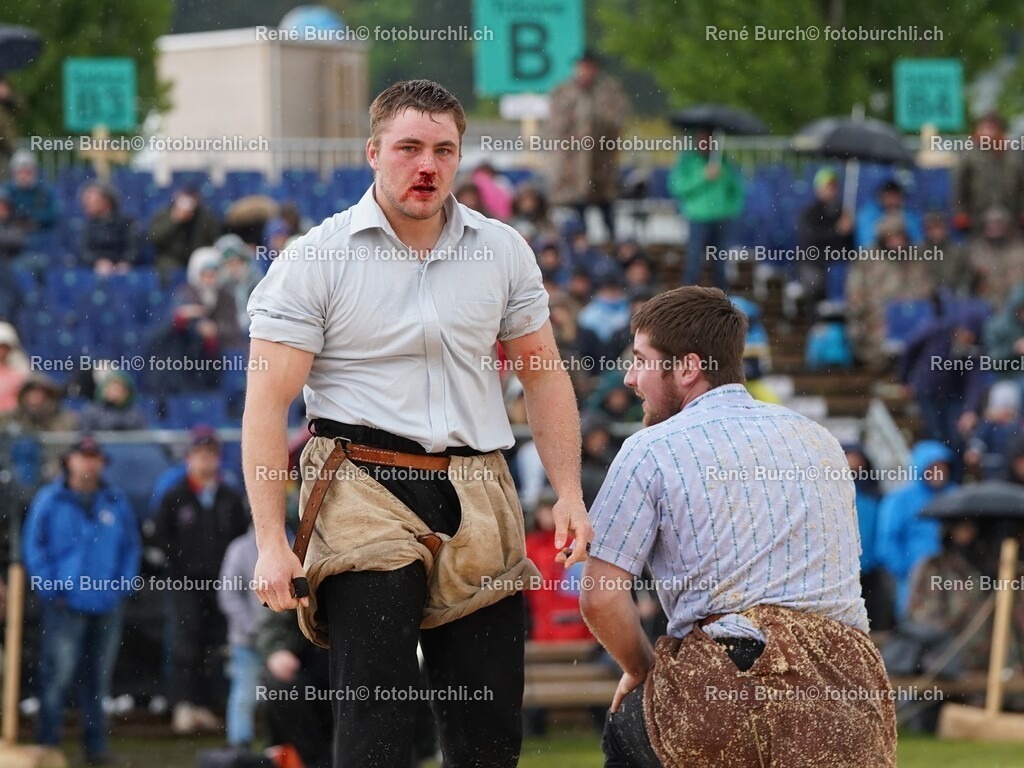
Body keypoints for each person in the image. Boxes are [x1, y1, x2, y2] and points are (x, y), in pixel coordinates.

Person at [243, 79, 592, 768]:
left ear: (460, 157)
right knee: (378, 709)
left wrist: (571, 492)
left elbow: (544, 375)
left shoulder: (502, 251)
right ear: (373, 152)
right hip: (359, 486)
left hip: (478, 485)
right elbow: (264, 404)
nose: (426, 165)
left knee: (488, 722)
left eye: (443, 149)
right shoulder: (315, 259)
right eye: (408, 148)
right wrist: (269, 540)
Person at [579, 286, 896, 767]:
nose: (629, 378)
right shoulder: (822, 440)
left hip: (725, 685)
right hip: (847, 693)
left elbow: (600, 595)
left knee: (629, 728)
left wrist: (643, 670)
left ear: (687, 368)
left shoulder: (650, 449)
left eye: (641, 360)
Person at [22, 436, 141, 765]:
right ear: (69, 461)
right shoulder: (50, 499)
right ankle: (47, 746)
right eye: (83, 456)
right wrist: (51, 589)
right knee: (56, 677)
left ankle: (96, 748)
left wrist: (122, 586)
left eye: (95, 457)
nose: (89, 463)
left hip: (106, 604)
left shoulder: (115, 500)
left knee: (98, 680)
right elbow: (34, 548)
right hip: (65, 604)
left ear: (102, 462)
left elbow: (131, 547)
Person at [151, 426, 250, 734]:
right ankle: (183, 705)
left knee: (215, 643)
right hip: (185, 583)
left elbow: (239, 537)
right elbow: (162, 538)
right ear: (189, 457)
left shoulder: (230, 497)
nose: (205, 460)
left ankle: (206, 705)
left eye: (210, 454)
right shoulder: (175, 495)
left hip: (221, 583)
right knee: (185, 643)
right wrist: (183, 566)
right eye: (199, 454)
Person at [547, 51, 631, 241]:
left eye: (590, 67)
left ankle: (611, 252)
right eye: (583, 67)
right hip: (571, 170)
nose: (586, 72)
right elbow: (555, 127)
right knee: (576, 219)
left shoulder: (609, 91)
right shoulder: (563, 92)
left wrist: (595, 121)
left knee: (607, 215)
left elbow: (617, 121)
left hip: (600, 166)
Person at [877, 440, 956, 618]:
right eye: (933, 467)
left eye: (942, 467)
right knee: (918, 623)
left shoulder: (956, 497)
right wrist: (906, 570)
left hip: (953, 577)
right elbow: (887, 541)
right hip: (914, 576)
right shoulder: (901, 499)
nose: (938, 473)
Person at [668, 131, 744, 289]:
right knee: (694, 261)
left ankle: (723, 299)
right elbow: (677, 187)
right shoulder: (687, 161)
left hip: (721, 218)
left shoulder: (723, 161)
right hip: (698, 217)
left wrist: (731, 210)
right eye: (702, 138)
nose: (706, 142)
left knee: (720, 263)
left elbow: (736, 189)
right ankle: (688, 297)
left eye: (709, 139)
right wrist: (703, 176)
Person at [217, 525, 263, 749]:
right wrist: (252, 628)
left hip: (286, 644)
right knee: (245, 695)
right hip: (248, 641)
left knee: (286, 697)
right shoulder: (240, 549)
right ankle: (239, 747)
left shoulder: (296, 543)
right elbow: (229, 595)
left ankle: (285, 747)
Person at [953, 111, 1024, 237]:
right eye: (983, 128)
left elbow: (1021, 183)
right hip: (977, 214)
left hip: (1009, 213)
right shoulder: (969, 154)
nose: (987, 132)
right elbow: (959, 185)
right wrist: (961, 211)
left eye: (991, 128)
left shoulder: (1011, 154)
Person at [796, 167, 855, 304]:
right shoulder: (809, 214)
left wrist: (848, 230)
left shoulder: (843, 213)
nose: (831, 190)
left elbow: (849, 246)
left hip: (839, 264)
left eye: (834, 186)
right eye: (827, 186)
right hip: (815, 262)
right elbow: (810, 239)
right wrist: (837, 231)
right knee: (814, 284)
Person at [148, 185, 222, 284]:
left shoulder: (204, 216)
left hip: (197, 256)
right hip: (171, 257)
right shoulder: (165, 213)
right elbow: (155, 237)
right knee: (168, 270)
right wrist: (174, 220)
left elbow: (215, 238)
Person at [79, 181, 139, 275]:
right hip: (96, 270)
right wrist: (97, 262)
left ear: (106, 201)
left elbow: (133, 248)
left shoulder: (126, 222)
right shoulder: (88, 226)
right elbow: (84, 251)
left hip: (122, 269)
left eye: (91, 200)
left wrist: (125, 262)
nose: (86, 204)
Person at [855, 179, 923, 248]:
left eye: (895, 197)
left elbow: (918, 242)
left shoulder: (910, 215)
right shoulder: (868, 214)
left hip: (905, 253)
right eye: (889, 196)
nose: (892, 201)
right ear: (880, 197)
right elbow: (865, 243)